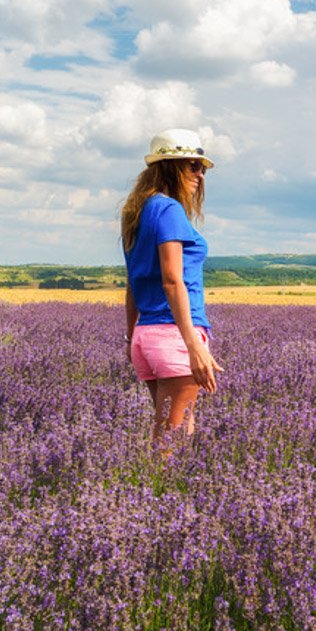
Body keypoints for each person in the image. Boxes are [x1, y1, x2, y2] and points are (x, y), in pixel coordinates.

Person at [122, 128, 223, 444]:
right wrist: (193, 346)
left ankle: (165, 490)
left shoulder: (138, 213)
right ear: (171, 166)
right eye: (193, 165)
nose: (200, 175)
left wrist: (131, 337)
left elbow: (133, 283)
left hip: (147, 336)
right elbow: (171, 280)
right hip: (174, 336)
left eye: (202, 167)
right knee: (171, 440)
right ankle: (151, 492)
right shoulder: (168, 210)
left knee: (175, 432)